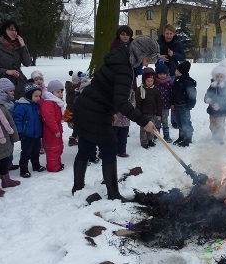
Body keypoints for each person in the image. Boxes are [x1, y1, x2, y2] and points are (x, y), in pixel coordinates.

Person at [72, 35, 160, 201]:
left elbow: (107, 88)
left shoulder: (120, 57)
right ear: (140, 54)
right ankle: (113, 195)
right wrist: (144, 121)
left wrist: (111, 111)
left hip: (85, 105)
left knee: (85, 146)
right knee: (110, 147)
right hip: (94, 110)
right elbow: (121, 102)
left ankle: (77, 188)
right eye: (147, 59)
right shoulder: (125, 69)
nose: (147, 64)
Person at [0, 20, 32, 100]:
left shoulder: (19, 46)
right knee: (8, 109)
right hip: (5, 86)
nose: (14, 32)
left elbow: (27, 63)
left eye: (15, 30)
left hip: (20, 84)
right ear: (4, 30)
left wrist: (23, 46)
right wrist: (6, 71)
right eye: (11, 29)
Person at [156, 24, 186, 129]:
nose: (168, 36)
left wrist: (174, 55)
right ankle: (158, 118)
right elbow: (151, 55)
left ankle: (174, 120)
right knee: (159, 95)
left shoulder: (177, 43)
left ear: (174, 34)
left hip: (172, 73)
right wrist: (159, 56)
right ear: (163, 33)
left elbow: (183, 56)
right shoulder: (158, 42)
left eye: (170, 34)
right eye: (167, 33)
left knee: (172, 95)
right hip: (160, 73)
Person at [13, 80, 45, 178]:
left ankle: (36, 165)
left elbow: (39, 120)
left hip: (36, 134)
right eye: (36, 96)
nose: (38, 98)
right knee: (26, 152)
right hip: (26, 135)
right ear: (29, 95)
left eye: (39, 96)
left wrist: (41, 131)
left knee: (36, 150)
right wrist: (19, 132)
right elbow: (17, 120)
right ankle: (23, 168)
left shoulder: (36, 106)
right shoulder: (22, 107)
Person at [0, 78, 19, 171]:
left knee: (10, 147)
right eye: (11, 91)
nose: (13, 93)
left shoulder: (8, 101)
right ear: (4, 91)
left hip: (9, 128)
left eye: (13, 91)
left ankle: (8, 164)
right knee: (3, 149)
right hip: (1, 130)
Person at [40, 80, 65, 172]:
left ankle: (57, 163)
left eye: (61, 92)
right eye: (58, 92)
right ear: (51, 93)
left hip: (57, 129)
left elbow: (57, 116)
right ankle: (53, 167)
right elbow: (49, 119)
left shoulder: (57, 103)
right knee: (53, 148)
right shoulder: (48, 104)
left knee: (59, 147)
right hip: (51, 131)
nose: (60, 94)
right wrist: (55, 130)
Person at [204, 64, 226, 145]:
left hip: (221, 111)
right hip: (212, 110)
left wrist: (219, 105)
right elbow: (208, 93)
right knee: (212, 124)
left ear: (225, 77)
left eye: (221, 77)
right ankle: (214, 135)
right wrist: (207, 98)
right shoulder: (212, 86)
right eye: (217, 76)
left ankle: (219, 138)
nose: (219, 78)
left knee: (220, 125)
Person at [171, 61, 197, 147]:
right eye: (176, 71)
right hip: (177, 105)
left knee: (186, 123)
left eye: (178, 72)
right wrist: (173, 103)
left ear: (183, 73)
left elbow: (192, 95)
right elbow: (173, 93)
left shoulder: (187, 82)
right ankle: (181, 137)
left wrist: (190, 105)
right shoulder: (177, 80)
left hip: (184, 106)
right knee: (179, 122)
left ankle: (188, 138)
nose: (176, 72)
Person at [135, 67, 162, 149]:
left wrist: (158, 113)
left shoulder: (155, 89)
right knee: (143, 128)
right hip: (143, 113)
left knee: (152, 128)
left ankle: (150, 140)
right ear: (144, 80)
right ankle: (144, 142)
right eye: (148, 81)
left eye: (151, 81)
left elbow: (158, 102)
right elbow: (138, 102)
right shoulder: (140, 90)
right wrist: (138, 113)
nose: (149, 83)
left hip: (153, 112)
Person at [154, 60, 173, 143]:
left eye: (164, 74)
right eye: (160, 74)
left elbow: (172, 94)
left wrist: (172, 103)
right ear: (157, 74)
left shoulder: (169, 83)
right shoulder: (155, 83)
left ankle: (166, 135)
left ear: (167, 73)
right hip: (157, 106)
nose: (162, 76)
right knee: (157, 121)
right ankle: (156, 135)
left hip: (166, 106)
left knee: (165, 121)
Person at [64, 70, 82, 147]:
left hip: (70, 109)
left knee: (76, 124)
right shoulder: (77, 89)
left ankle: (74, 137)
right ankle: (73, 138)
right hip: (74, 109)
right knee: (78, 124)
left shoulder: (69, 88)